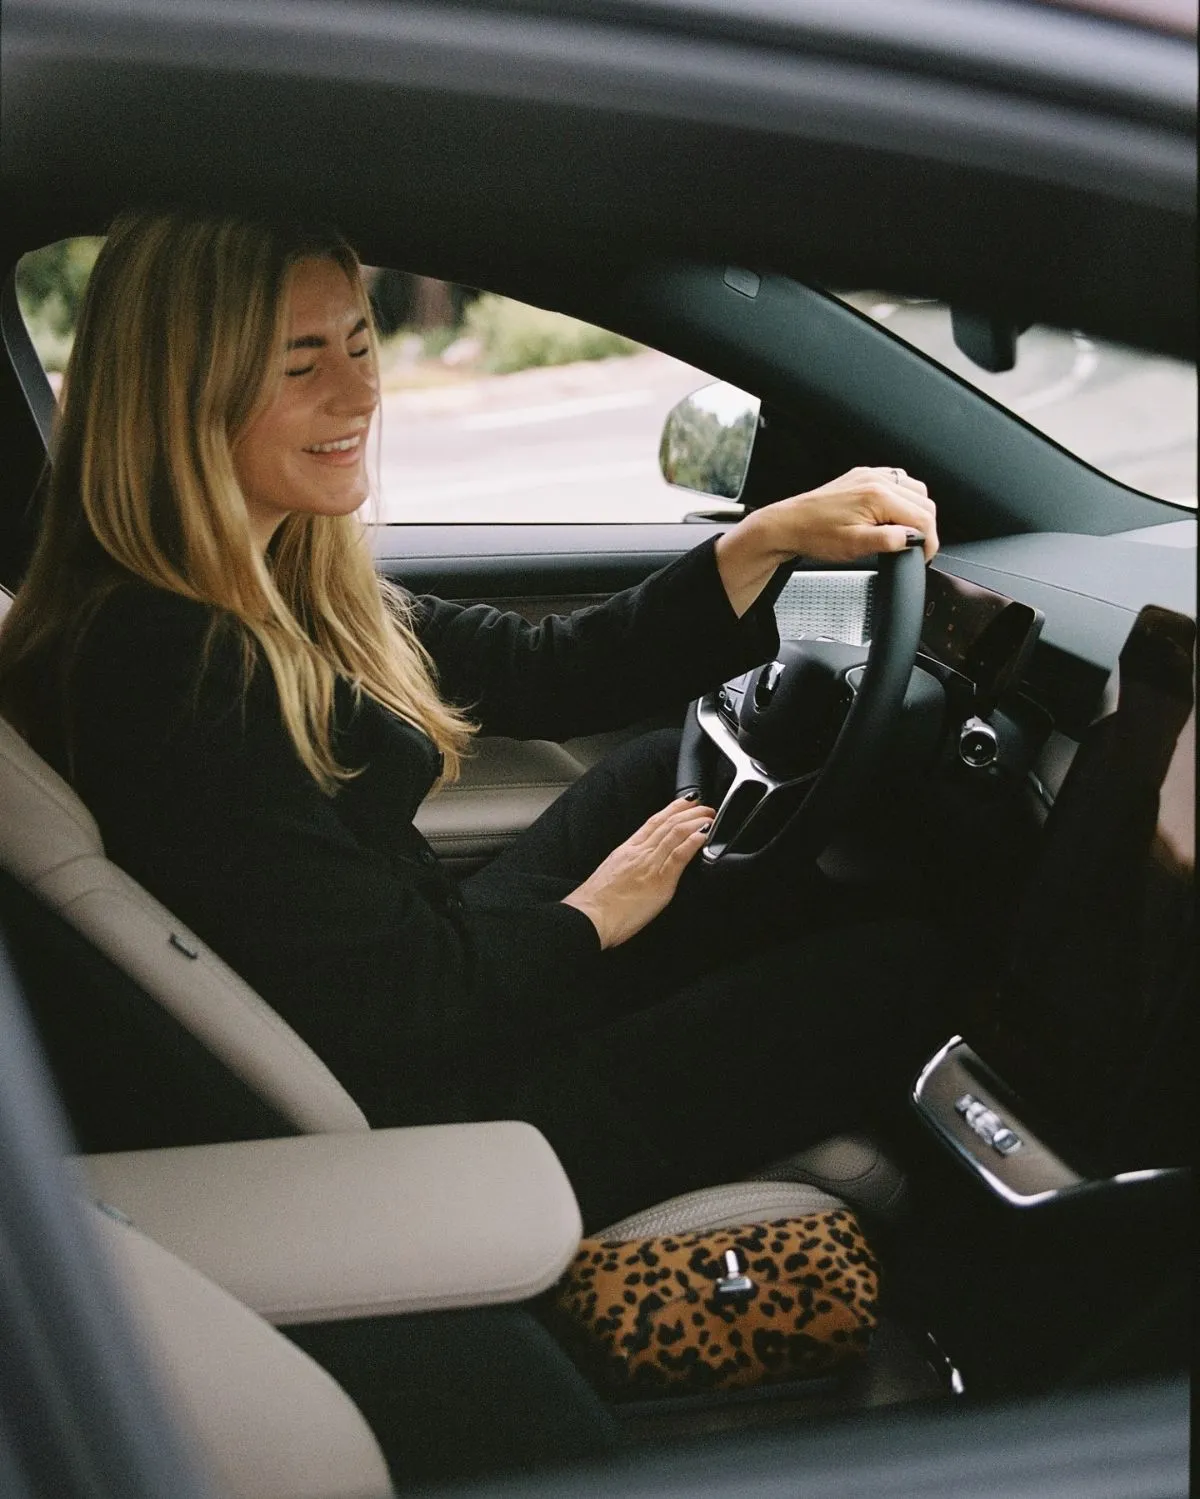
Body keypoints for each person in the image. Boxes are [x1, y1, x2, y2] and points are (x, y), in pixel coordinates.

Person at [0, 210, 944, 1228]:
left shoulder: (273, 575)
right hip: (435, 1112)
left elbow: (548, 668)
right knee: (901, 973)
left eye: (360, 343)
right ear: (180, 397)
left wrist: (764, 537)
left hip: (418, 989)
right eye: (300, 363)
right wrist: (596, 915)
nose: (358, 391)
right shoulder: (173, 676)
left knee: (649, 781)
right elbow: (408, 1008)